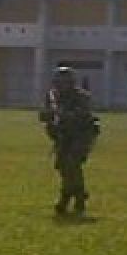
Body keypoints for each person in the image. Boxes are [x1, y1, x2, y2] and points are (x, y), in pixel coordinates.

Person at [40, 65, 99, 215]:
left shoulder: (82, 96)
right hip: (63, 135)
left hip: (82, 134)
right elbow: (45, 115)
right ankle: (75, 193)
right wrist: (49, 116)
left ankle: (71, 198)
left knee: (72, 164)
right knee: (62, 166)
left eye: (65, 82)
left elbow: (83, 115)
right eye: (59, 83)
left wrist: (65, 115)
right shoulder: (53, 96)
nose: (62, 86)